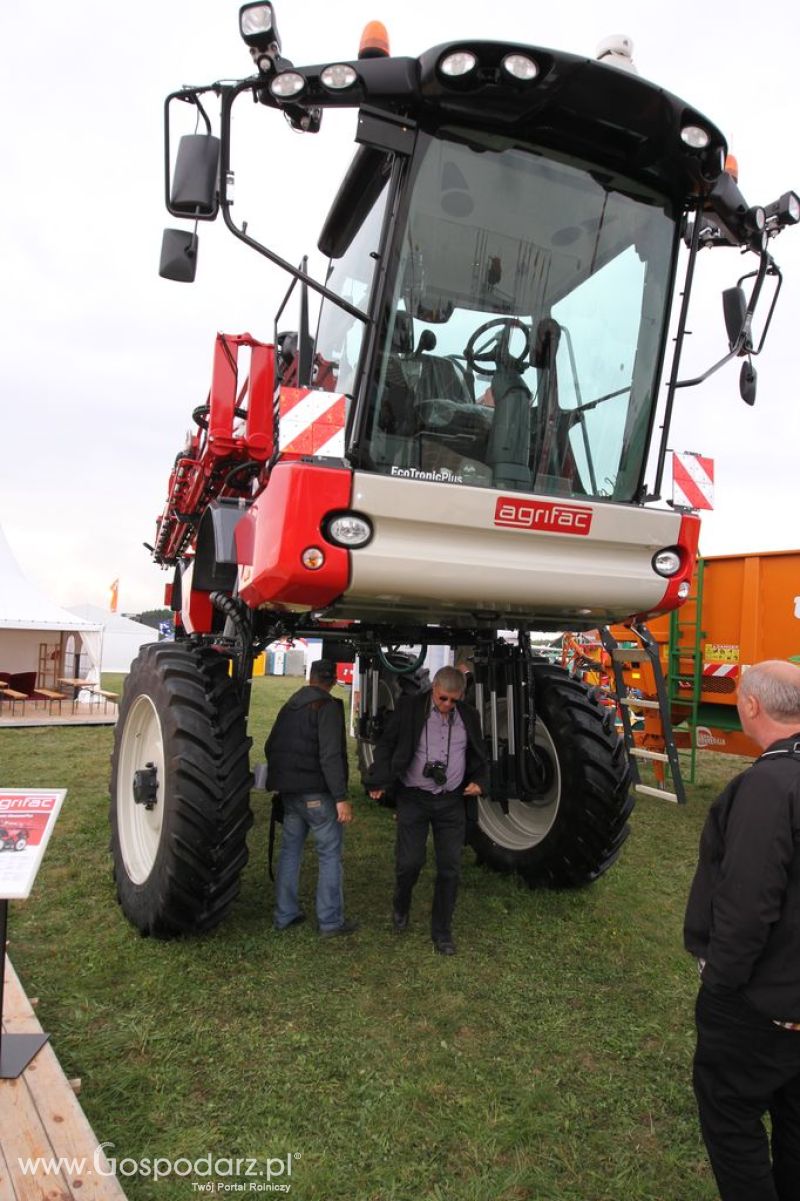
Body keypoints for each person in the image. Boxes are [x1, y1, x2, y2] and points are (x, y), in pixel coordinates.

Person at [684, 659, 800, 1201]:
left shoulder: (767, 788)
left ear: (750, 706)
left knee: (732, 1123)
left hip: (761, 1006)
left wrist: (722, 985)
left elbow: (748, 905)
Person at [368, 665, 488, 955]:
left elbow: (479, 754)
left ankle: (442, 931)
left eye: (454, 700)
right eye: (443, 698)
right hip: (414, 798)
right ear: (434, 689)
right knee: (410, 862)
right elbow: (387, 745)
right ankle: (401, 903)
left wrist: (480, 782)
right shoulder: (410, 708)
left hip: (451, 802)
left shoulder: (469, 717)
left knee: (450, 868)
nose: (447, 705)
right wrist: (378, 781)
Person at [265, 659, 357, 937]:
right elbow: (330, 756)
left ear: (310, 677)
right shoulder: (326, 707)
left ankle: (285, 914)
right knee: (329, 854)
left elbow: (271, 746)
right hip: (317, 795)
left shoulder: (289, 706)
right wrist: (340, 797)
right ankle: (330, 921)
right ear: (332, 681)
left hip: (289, 794)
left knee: (290, 852)